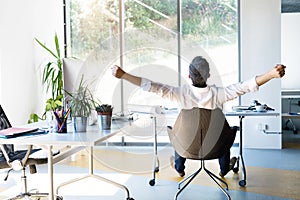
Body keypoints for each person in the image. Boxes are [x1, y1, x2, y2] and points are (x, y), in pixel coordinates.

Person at [111, 56, 286, 177]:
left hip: (187, 148)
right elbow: (246, 86)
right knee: (222, 132)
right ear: (209, 75)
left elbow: (151, 86)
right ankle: (224, 168)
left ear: (189, 76)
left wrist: (123, 75)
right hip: (215, 148)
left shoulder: (179, 94)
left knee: (179, 131)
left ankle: (179, 168)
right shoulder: (220, 94)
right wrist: (271, 74)